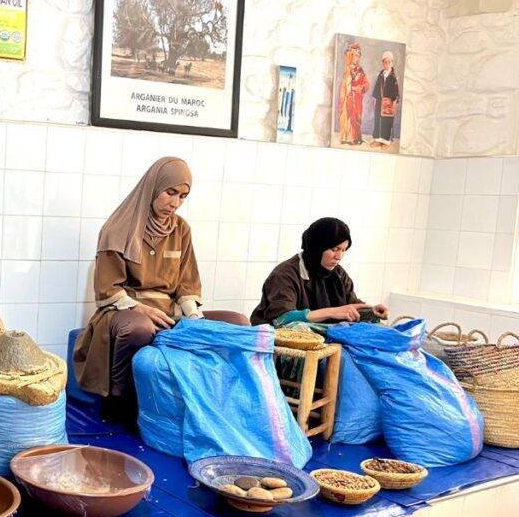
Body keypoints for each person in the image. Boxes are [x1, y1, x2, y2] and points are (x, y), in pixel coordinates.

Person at [72, 157, 249, 421]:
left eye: (183, 196)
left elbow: (187, 284)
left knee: (237, 322)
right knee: (140, 328)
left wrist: (194, 318)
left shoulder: (181, 229)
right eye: (170, 193)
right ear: (153, 187)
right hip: (122, 312)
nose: (175, 203)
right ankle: (122, 405)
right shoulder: (118, 228)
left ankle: (219, 408)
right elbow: (108, 290)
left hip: (168, 312)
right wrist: (142, 309)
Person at [250, 217, 389, 327]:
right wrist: (333, 312)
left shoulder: (338, 274)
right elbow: (282, 319)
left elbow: (351, 306)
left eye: (343, 250)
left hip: (325, 344)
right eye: (334, 249)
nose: (339, 257)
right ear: (317, 247)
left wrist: (371, 311)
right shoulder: (285, 274)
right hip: (283, 348)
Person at [338, 42, 368, 145]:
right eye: (355, 56)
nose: (357, 58)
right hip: (348, 98)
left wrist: (362, 87)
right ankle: (347, 137)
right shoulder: (347, 69)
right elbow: (345, 85)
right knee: (348, 117)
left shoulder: (361, 70)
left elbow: (366, 83)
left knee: (357, 117)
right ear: (351, 56)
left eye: (359, 56)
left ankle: (356, 137)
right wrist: (351, 89)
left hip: (358, 99)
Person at [370, 51, 399, 148]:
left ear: (392, 63)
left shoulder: (393, 77)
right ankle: (378, 140)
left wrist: (394, 102)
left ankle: (386, 141)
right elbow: (377, 87)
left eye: (389, 62)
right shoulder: (381, 74)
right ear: (382, 63)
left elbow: (396, 91)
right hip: (379, 101)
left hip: (389, 103)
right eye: (385, 62)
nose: (387, 64)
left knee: (387, 121)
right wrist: (375, 99)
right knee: (378, 120)